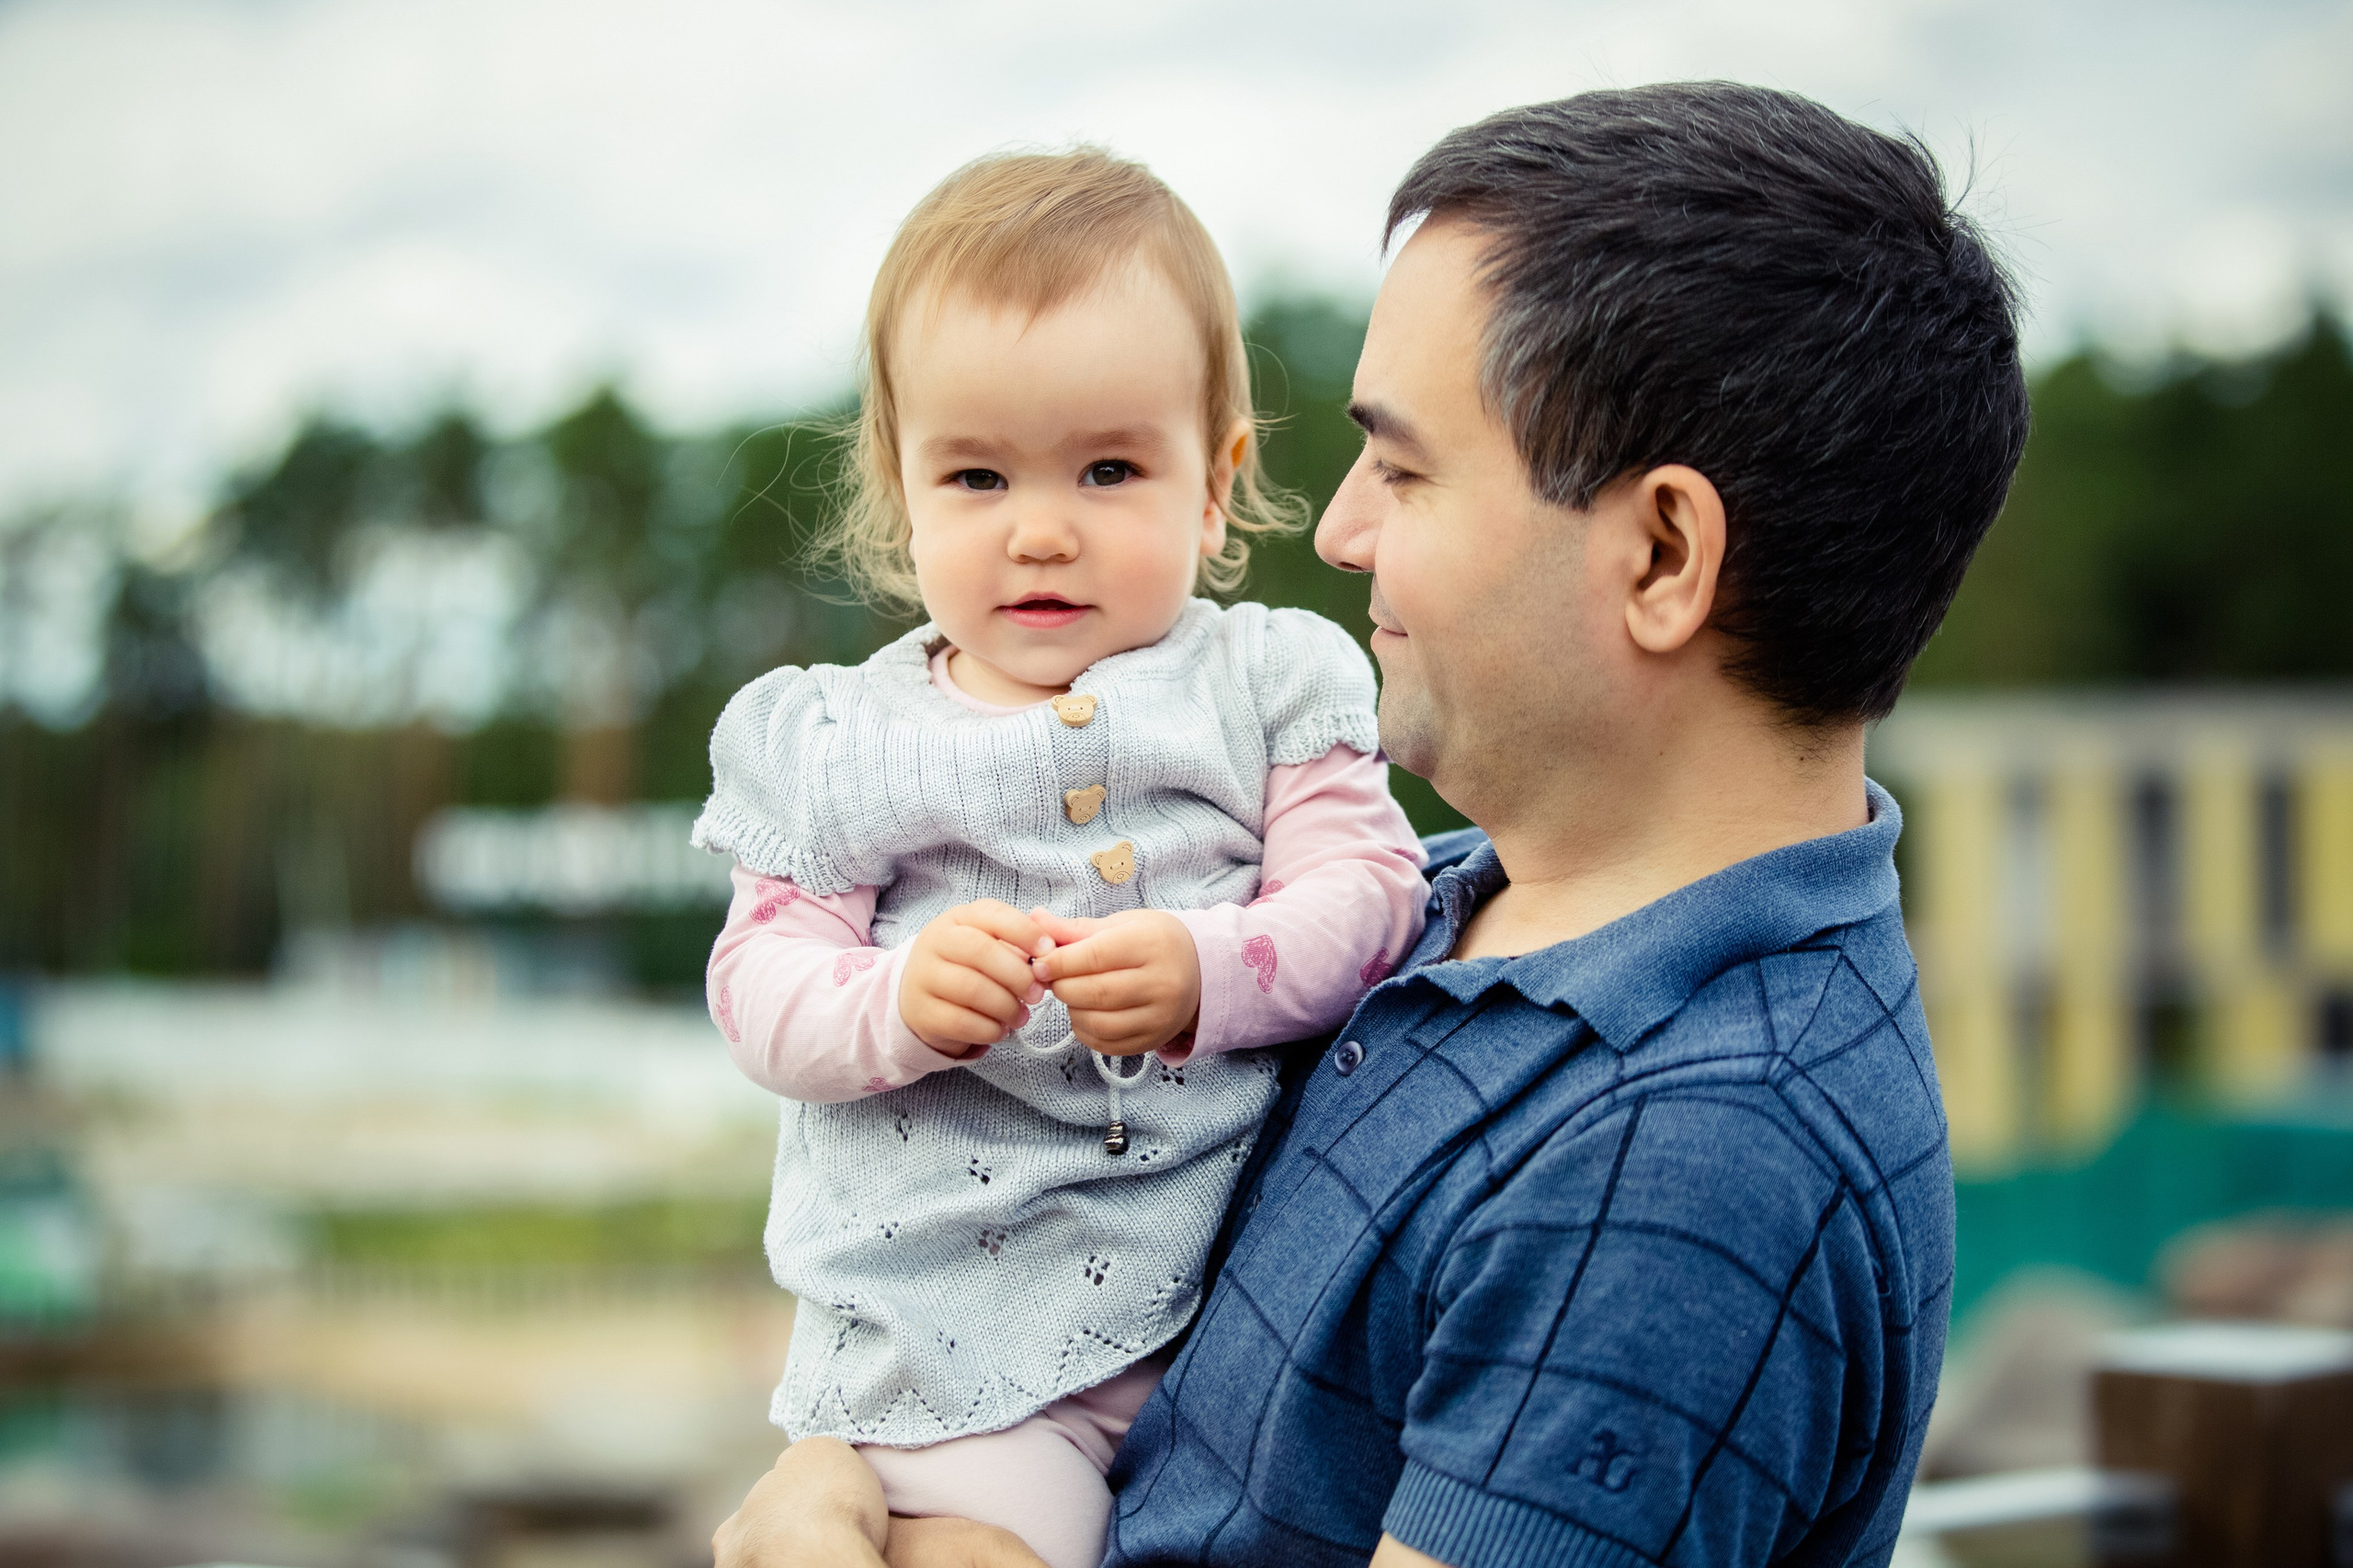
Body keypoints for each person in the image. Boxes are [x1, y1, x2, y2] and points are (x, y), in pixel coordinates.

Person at [715, 80, 2029, 1568]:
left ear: (1663, 551)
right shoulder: (1476, 908)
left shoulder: (1685, 1167)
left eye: (1402, 467)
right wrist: (848, 1455)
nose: (1334, 531)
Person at [689, 148, 1429, 1568]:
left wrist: (1214, 970)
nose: (1041, 527)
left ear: (1213, 487)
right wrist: (891, 1002)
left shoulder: (1268, 686)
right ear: (901, 492)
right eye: (976, 475)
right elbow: (757, 982)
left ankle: (822, 1490)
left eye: (1108, 468)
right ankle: (829, 1477)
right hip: (924, 1319)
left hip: (1171, 1326)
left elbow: (1374, 897)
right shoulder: (844, 738)